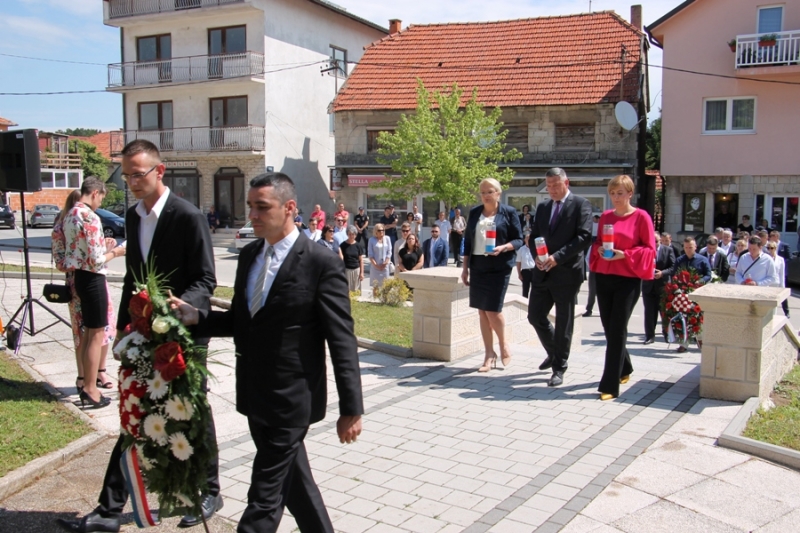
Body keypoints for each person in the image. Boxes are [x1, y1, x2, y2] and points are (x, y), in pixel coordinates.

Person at [169, 172, 363, 533]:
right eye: (250, 208)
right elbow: (245, 321)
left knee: (264, 497)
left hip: (292, 399)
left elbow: (342, 340)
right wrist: (198, 317)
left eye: (262, 208)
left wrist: (351, 408)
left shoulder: (320, 262)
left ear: (290, 208)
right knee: (295, 484)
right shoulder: (250, 256)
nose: (253, 216)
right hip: (254, 393)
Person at [57, 140, 221, 533]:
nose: (131, 181)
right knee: (134, 414)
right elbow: (134, 276)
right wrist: (121, 331)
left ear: (160, 171)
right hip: (142, 332)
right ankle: (109, 509)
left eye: (138, 174)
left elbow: (206, 278)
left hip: (183, 333)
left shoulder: (188, 216)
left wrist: (179, 309)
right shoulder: (132, 216)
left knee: (192, 409)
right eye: (126, 175)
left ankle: (210, 490)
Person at [61, 178, 126, 411]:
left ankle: (87, 385)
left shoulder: (69, 215)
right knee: (96, 333)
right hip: (92, 277)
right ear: (96, 193)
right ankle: (90, 388)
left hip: (79, 276)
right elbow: (96, 259)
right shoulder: (89, 216)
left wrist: (103, 251)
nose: (101, 203)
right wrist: (117, 252)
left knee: (89, 332)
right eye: (102, 198)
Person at [589, 175, 655, 400]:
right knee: (610, 329)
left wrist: (624, 255)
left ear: (630, 193)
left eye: (620, 193)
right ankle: (624, 367)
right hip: (605, 277)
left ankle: (609, 385)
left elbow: (649, 249)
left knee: (617, 330)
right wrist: (599, 249)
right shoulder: (606, 216)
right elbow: (599, 242)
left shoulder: (641, 217)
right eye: (613, 193)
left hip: (627, 280)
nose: (616, 197)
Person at [528, 168, 592, 387]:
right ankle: (554, 352)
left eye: (556, 184)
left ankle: (559, 367)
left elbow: (584, 237)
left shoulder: (580, 204)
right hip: (542, 270)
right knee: (535, 316)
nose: (552, 189)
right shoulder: (544, 207)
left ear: (567, 182)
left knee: (564, 321)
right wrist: (537, 256)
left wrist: (557, 257)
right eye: (549, 185)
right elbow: (534, 235)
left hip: (567, 272)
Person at [52, 189, 118, 396]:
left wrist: (103, 249)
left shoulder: (76, 219)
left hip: (93, 277)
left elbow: (93, 252)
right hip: (79, 280)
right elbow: (62, 261)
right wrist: (111, 253)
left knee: (103, 327)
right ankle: (84, 377)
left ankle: (99, 372)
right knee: (85, 330)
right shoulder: (65, 224)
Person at [461, 178, 524, 372]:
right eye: (483, 192)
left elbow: (519, 240)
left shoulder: (509, 212)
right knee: (482, 311)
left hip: (499, 266)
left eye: (490, 191)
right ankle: (489, 354)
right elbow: (468, 242)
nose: (486, 195)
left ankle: (503, 344)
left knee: (493, 310)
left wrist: (504, 247)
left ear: (498, 193)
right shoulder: (474, 213)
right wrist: (465, 268)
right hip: (478, 265)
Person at [662, 237, 711, 353]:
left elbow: (708, 275)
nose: (688, 250)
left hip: (698, 293)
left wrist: (700, 281)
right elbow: (674, 275)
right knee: (683, 318)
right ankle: (684, 343)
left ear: (695, 247)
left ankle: (701, 340)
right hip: (683, 294)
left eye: (690, 247)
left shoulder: (702, 260)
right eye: (686, 247)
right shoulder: (680, 260)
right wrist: (677, 287)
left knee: (698, 318)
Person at [641, 231, 675, 345]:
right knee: (649, 313)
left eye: (656, 241)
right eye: (652, 241)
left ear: (660, 240)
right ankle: (650, 336)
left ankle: (666, 335)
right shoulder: (645, 250)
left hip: (662, 286)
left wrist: (663, 273)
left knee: (664, 312)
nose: (654, 243)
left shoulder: (667, 250)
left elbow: (673, 266)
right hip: (648, 286)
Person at [765, 241, 790, 317]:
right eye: (768, 248)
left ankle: (773, 316)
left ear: (775, 248)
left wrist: (782, 286)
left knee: (774, 302)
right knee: (767, 302)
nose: (770, 250)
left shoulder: (780, 259)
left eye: (772, 248)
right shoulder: (765, 258)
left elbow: (781, 273)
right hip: (767, 283)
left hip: (776, 282)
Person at [583, 216, 601, 317]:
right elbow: (587, 258)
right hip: (594, 270)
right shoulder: (592, 247)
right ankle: (589, 309)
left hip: (603, 271)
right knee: (592, 291)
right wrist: (591, 267)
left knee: (603, 292)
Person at [368, 224, 392, 297]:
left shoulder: (387, 238)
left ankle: (385, 300)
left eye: (383, 230)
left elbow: (389, 251)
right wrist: (376, 265)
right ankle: (375, 299)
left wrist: (385, 262)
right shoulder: (371, 240)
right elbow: (370, 254)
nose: (381, 232)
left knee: (386, 284)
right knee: (376, 285)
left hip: (385, 266)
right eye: (379, 230)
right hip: (375, 266)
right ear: (376, 231)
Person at [340, 226, 364, 292]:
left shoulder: (358, 246)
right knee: (347, 290)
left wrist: (361, 273)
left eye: (353, 234)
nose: (351, 236)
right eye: (349, 234)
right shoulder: (342, 245)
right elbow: (341, 259)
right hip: (347, 270)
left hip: (356, 270)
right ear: (347, 234)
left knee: (356, 290)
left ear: (355, 235)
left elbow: (361, 260)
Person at [516, 234, 535, 298]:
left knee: (535, 290)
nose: (529, 240)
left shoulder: (535, 248)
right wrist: (519, 273)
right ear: (525, 240)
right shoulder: (521, 249)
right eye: (527, 238)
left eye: (530, 238)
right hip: (525, 271)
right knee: (525, 289)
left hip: (534, 271)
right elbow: (518, 262)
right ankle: (524, 303)